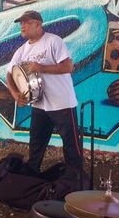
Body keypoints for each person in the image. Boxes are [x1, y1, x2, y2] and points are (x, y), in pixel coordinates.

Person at [6, 10, 82, 173]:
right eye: (21, 23)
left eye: (26, 22)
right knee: (36, 146)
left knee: (71, 146)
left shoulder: (53, 41)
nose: (22, 26)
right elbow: (9, 73)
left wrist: (42, 68)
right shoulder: (22, 50)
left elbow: (68, 67)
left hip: (62, 104)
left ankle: (75, 181)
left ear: (38, 24)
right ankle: (31, 181)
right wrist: (14, 93)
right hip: (39, 105)